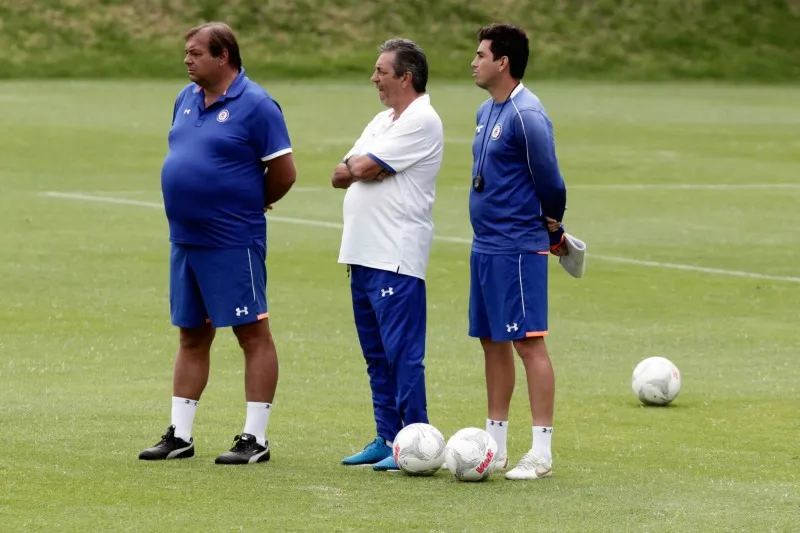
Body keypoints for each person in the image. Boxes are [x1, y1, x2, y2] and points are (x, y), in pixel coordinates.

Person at [139, 22, 297, 465]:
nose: (187, 60)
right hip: (185, 239)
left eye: (195, 53)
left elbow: (284, 173)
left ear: (223, 55)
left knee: (252, 333)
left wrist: (249, 205)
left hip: (233, 239)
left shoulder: (257, 104)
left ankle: (255, 438)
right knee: (191, 335)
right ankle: (180, 435)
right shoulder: (185, 99)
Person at [331, 38, 444, 472]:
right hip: (361, 253)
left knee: (402, 354)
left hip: (395, 254)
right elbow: (342, 173)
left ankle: (417, 440)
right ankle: (387, 436)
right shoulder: (383, 120)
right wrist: (367, 167)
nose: (373, 78)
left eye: (381, 71)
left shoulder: (422, 120)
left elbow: (358, 168)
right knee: (376, 354)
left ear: (405, 77)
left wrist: (366, 168)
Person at [467, 23, 568, 480]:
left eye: (481, 54)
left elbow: (551, 182)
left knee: (528, 344)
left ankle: (541, 452)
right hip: (485, 247)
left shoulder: (528, 114)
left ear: (502, 62)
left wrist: (552, 226)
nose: (474, 61)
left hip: (518, 247)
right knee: (492, 342)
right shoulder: (487, 110)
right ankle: (496, 445)